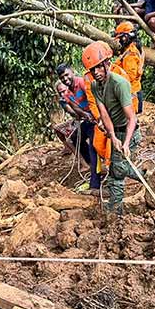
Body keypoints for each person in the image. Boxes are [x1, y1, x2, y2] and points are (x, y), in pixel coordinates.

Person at [83, 42, 144, 215]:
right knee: (116, 169)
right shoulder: (95, 85)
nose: (96, 72)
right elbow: (104, 113)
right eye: (92, 70)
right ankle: (142, 177)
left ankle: (116, 210)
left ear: (107, 63)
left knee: (117, 171)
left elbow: (132, 118)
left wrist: (126, 143)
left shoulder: (119, 83)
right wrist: (112, 136)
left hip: (129, 131)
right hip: (116, 131)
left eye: (99, 67)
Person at [55, 64, 101, 193]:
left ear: (72, 72)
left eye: (66, 75)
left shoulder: (82, 83)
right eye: (62, 77)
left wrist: (96, 116)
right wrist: (85, 115)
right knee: (75, 139)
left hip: (98, 117)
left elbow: (95, 99)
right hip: (88, 119)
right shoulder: (67, 93)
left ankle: (95, 185)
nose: (65, 79)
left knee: (93, 148)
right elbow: (75, 108)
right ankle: (93, 165)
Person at [112, 21, 145, 115]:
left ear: (125, 37)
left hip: (131, 94)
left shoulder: (131, 55)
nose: (119, 41)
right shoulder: (131, 49)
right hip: (132, 92)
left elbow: (129, 78)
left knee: (130, 120)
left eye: (120, 38)